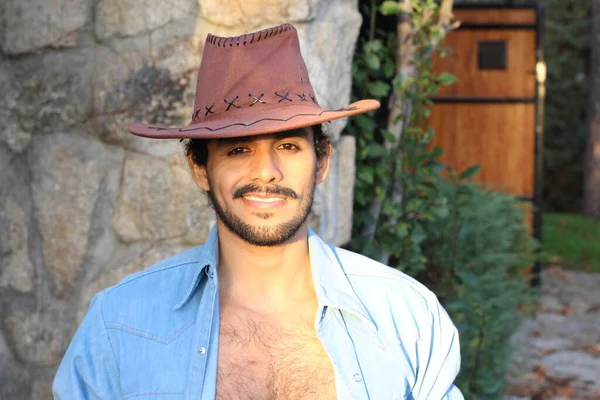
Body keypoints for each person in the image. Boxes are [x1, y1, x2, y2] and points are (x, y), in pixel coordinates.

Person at [53, 23, 463, 400]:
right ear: (200, 168)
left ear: (321, 162)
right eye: (238, 149)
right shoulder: (119, 325)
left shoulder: (404, 315)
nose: (266, 172)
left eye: (288, 146)